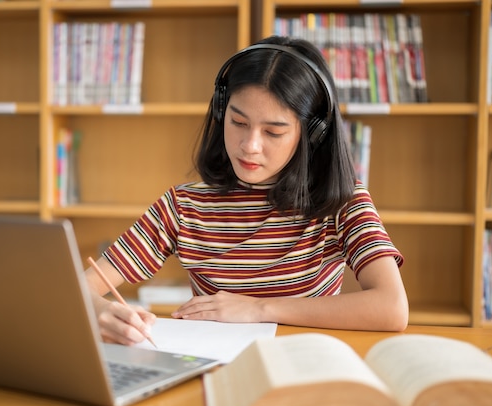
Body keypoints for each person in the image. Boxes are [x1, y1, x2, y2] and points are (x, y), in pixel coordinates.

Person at [86, 35, 409, 346]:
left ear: (312, 134)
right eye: (238, 123)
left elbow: (391, 307)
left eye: (273, 131)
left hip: (302, 368)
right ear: (220, 111)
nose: (249, 146)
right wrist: (103, 313)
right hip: (215, 369)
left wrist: (257, 308)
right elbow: (78, 288)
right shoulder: (183, 205)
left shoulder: (342, 200)